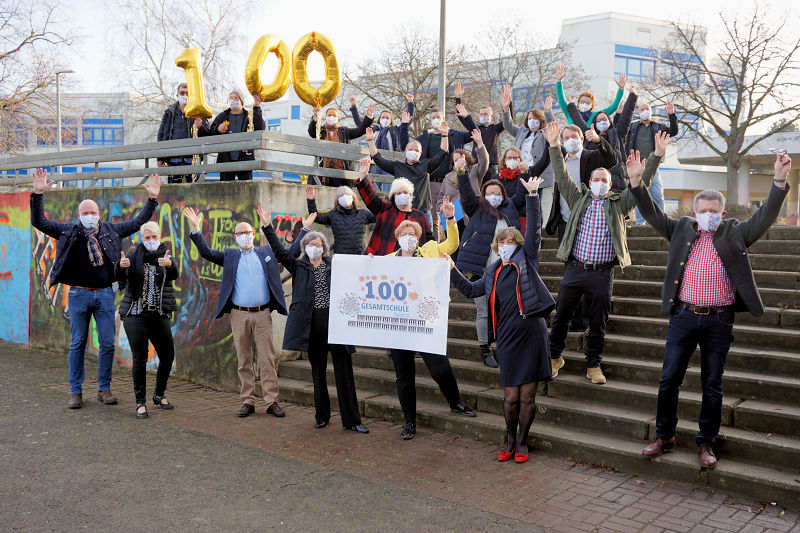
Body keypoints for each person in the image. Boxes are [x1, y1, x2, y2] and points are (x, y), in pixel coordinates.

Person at [631, 140, 792, 469]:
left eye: (713, 212)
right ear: (694, 212)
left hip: (718, 321)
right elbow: (650, 212)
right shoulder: (680, 229)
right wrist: (636, 182)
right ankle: (664, 435)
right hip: (683, 317)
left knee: (712, 384)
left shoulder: (736, 232)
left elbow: (765, 216)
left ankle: (706, 443)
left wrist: (777, 181)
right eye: (702, 211)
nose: (707, 216)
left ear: (722, 213)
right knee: (669, 379)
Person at [30, 169, 161, 409]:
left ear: (99, 215)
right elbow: (39, 222)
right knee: (77, 342)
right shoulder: (68, 231)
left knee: (107, 343)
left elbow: (138, 222)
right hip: (78, 294)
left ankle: (104, 388)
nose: (89, 216)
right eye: (85, 213)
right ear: (79, 215)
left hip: (104, 294)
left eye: (93, 213)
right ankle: (75, 392)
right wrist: (37, 195)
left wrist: (152, 199)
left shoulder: (110, 230)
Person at [543, 121, 657, 385]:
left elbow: (642, 184)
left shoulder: (619, 203)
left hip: (602, 273)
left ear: (609, 184)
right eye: (596, 180)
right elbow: (561, 175)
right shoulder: (578, 197)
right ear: (589, 182)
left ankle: (593, 364)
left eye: (604, 180)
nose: (600, 184)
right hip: (575, 268)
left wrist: (655, 158)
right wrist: (553, 146)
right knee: (561, 317)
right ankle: (554, 356)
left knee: (597, 321)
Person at [449, 176, 555, 463]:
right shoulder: (493, 271)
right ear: (497, 247)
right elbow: (471, 291)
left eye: (511, 242)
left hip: (532, 334)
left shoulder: (527, 261)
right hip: (507, 337)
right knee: (510, 396)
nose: (507, 245)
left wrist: (532, 197)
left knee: (528, 397)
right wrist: (451, 270)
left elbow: (533, 232)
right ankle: (509, 439)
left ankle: (522, 442)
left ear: (518, 245)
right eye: (502, 242)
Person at [257, 206, 370, 434]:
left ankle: (352, 419)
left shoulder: (335, 266)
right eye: (311, 245)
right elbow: (280, 253)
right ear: (305, 248)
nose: (315, 248)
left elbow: (359, 276)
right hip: (311, 325)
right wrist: (268, 227)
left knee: (344, 372)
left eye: (319, 245)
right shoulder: (299, 266)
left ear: (325, 248)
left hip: (336, 324)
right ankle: (322, 416)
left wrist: (368, 262)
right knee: (318, 372)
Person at [183, 206, 287, 418]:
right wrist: (196, 229)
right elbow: (206, 252)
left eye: (247, 232)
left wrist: (271, 226)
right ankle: (248, 400)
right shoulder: (230, 256)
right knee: (244, 359)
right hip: (239, 315)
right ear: (235, 237)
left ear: (254, 234)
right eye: (240, 233)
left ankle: (271, 401)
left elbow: (290, 254)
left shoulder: (266, 252)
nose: (244, 236)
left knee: (267, 359)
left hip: (262, 314)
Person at [386, 213, 476, 440]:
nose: (408, 238)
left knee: (440, 368)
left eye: (412, 235)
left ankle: (455, 401)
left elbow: (453, 244)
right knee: (404, 375)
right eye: (404, 235)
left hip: (426, 321)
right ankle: (409, 421)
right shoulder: (387, 260)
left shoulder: (431, 250)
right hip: (399, 326)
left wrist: (450, 220)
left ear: (418, 238)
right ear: (397, 238)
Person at [456, 164, 526, 368]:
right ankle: (485, 349)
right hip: (479, 269)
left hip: (506, 270)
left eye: (497, 193)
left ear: (503, 195)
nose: (494, 196)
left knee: (505, 309)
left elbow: (522, 193)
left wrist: (525, 172)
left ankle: (505, 346)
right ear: (483, 195)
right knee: (483, 310)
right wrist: (461, 173)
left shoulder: (510, 207)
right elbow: (467, 194)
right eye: (489, 193)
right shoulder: (476, 207)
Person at [116, 221, 178, 419]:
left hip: (158, 315)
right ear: (142, 239)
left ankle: (159, 394)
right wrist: (120, 267)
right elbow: (120, 278)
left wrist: (171, 265)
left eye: (154, 237)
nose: (151, 241)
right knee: (140, 358)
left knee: (167, 355)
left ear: (160, 237)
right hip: (135, 315)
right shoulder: (133, 258)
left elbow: (174, 275)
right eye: (147, 238)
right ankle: (140, 402)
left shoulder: (165, 258)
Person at [366, 121, 449, 227]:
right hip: (401, 211)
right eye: (411, 149)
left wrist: (445, 135)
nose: (413, 152)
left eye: (416, 150)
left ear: (421, 153)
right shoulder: (397, 166)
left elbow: (442, 153)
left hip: (423, 211)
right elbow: (377, 158)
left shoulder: (427, 165)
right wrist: (370, 140)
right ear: (405, 151)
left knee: (428, 242)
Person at [544, 125, 618, 241]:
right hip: (565, 220)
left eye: (574, 136)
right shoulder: (560, 162)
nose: (571, 140)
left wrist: (598, 140)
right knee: (566, 258)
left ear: (582, 139)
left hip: (588, 220)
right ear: (563, 142)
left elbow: (612, 160)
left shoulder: (592, 156)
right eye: (567, 138)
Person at [566, 85, 638, 193]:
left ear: (609, 121)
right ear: (594, 123)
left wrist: (632, 96)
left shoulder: (617, 134)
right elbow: (578, 120)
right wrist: (571, 106)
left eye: (604, 119)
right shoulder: (589, 135)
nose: (602, 122)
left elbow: (626, 116)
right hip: (592, 185)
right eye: (599, 120)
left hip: (616, 186)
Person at [354, 158, 433, 256]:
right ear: (393, 196)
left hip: (411, 262)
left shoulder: (420, 216)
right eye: (398, 193)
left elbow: (429, 242)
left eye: (405, 192)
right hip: (383, 259)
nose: (402, 195)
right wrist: (363, 176)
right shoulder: (385, 210)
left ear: (411, 195)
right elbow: (370, 197)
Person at [500, 87, 556, 223]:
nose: (532, 121)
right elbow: (508, 125)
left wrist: (548, 112)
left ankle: (537, 232)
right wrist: (506, 109)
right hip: (521, 171)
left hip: (538, 172)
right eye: (530, 118)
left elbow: (553, 126)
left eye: (536, 119)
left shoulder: (544, 133)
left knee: (536, 203)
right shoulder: (522, 132)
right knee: (521, 202)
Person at [625, 100, 679, 224]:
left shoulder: (658, 127)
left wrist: (671, 114)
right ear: (638, 113)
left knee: (657, 195)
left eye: (647, 109)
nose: (645, 111)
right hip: (636, 167)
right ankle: (640, 223)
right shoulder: (632, 127)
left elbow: (674, 131)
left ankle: (662, 222)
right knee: (639, 196)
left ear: (651, 111)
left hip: (653, 166)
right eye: (642, 109)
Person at [436, 130, 489, 239]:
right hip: (453, 216)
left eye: (460, 158)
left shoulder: (474, 171)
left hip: (471, 214)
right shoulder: (448, 177)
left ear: (466, 158)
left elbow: (484, 162)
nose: (457, 161)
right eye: (455, 160)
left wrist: (480, 143)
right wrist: (441, 206)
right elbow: (441, 196)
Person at [309, 103, 375, 187]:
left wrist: (369, 116)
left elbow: (360, 130)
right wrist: (315, 116)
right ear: (325, 117)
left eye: (334, 115)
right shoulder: (321, 130)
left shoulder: (345, 131)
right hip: (323, 172)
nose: (331, 117)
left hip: (341, 172)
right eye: (329, 115)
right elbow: (311, 132)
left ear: (338, 118)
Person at [156, 83, 210, 183]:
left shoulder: (198, 111)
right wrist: (160, 157)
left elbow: (208, 133)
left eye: (187, 93)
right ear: (177, 95)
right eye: (182, 93)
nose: (184, 95)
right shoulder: (169, 112)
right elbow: (161, 135)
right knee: (174, 193)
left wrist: (200, 127)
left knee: (193, 192)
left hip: (192, 160)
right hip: (173, 159)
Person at [209, 90, 265, 181]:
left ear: (241, 101)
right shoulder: (222, 116)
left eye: (236, 98)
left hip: (245, 159)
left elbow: (260, 128)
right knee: (225, 191)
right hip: (225, 160)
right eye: (231, 98)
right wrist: (218, 129)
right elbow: (211, 132)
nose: (233, 100)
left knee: (245, 191)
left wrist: (257, 108)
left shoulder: (249, 116)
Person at [452, 82, 502, 181]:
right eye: (481, 114)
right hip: (477, 165)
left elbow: (508, 121)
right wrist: (458, 99)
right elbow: (463, 117)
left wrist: (508, 106)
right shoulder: (475, 128)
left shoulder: (496, 128)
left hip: (492, 166)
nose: (483, 116)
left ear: (491, 116)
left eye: (486, 114)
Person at [305, 184, 375, 255]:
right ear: (337, 199)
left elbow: (380, 217)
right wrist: (311, 200)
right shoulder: (333, 215)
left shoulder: (363, 213)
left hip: (360, 255)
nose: (345, 197)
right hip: (340, 256)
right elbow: (315, 217)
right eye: (341, 196)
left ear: (353, 197)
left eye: (347, 194)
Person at [555, 64, 626, 126]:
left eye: (587, 103)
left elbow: (613, 107)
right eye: (582, 102)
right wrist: (559, 81)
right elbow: (561, 100)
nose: (584, 104)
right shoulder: (570, 114)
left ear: (592, 105)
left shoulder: (596, 115)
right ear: (578, 103)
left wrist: (621, 89)